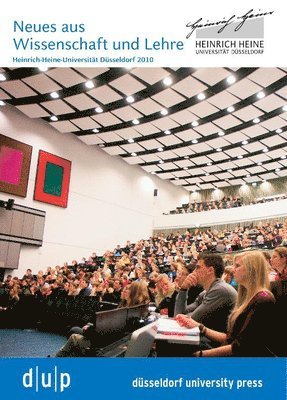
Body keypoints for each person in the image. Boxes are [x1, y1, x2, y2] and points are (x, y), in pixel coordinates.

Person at [176, 251, 275, 356]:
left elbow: (242, 346)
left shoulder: (262, 299)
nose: (233, 269)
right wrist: (201, 327)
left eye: (237, 265)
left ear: (252, 268)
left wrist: (201, 354)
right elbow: (230, 338)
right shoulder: (247, 297)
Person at [53, 280, 150, 357]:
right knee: (75, 331)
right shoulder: (135, 309)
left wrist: (90, 329)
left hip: (106, 343)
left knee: (74, 335)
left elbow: (110, 330)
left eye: (128, 289)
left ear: (133, 293)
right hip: (111, 339)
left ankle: (57, 358)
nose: (124, 291)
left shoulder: (125, 312)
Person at [174, 253, 237, 332]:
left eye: (198, 267)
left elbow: (190, 320)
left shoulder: (220, 290)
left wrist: (185, 317)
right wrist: (183, 289)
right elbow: (179, 315)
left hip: (215, 343)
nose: (194, 271)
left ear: (210, 270)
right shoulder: (205, 292)